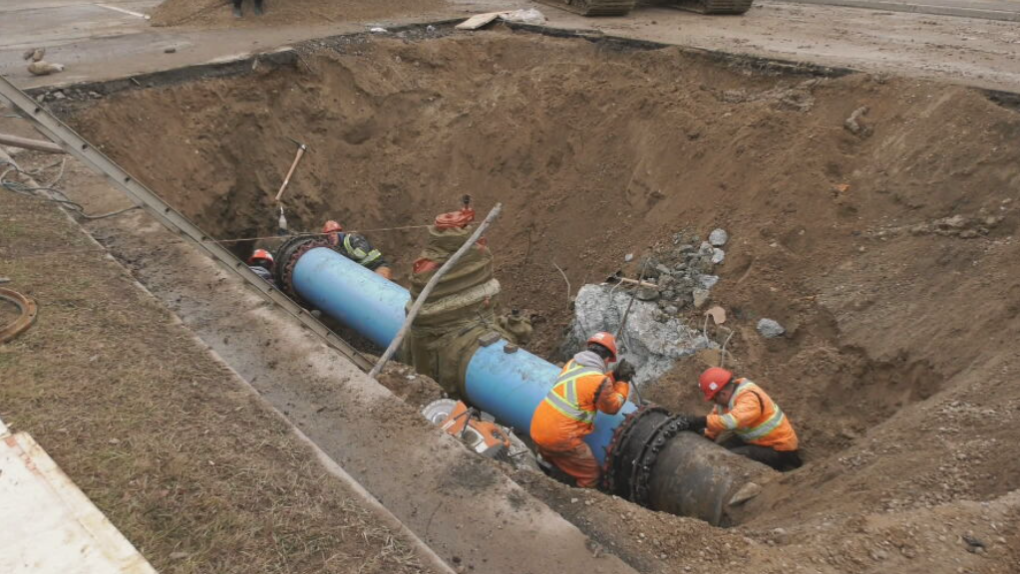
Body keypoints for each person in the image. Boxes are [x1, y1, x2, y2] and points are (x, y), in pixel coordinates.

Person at [530, 332, 635, 488]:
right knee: (591, 473)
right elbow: (612, 406)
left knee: (550, 457)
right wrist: (623, 382)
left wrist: (613, 375)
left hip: (538, 428)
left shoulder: (572, 364)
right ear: (607, 359)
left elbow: (589, 383)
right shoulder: (599, 381)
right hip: (560, 438)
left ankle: (544, 478)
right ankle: (579, 502)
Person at [687, 367, 802, 471]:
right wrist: (708, 435)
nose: (714, 403)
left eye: (713, 399)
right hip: (758, 441)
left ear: (722, 393)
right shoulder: (725, 401)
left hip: (779, 449)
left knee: (728, 459)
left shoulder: (749, 397)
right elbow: (716, 416)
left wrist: (701, 421)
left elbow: (733, 421)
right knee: (721, 449)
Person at [322, 220, 394, 280]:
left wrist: (348, 259)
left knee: (379, 285)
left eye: (333, 234)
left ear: (340, 233)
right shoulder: (339, 249)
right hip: (365, 273)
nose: (331, 237)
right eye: (328, 236)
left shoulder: (353, 238)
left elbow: (361, 253)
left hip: (378, 266)